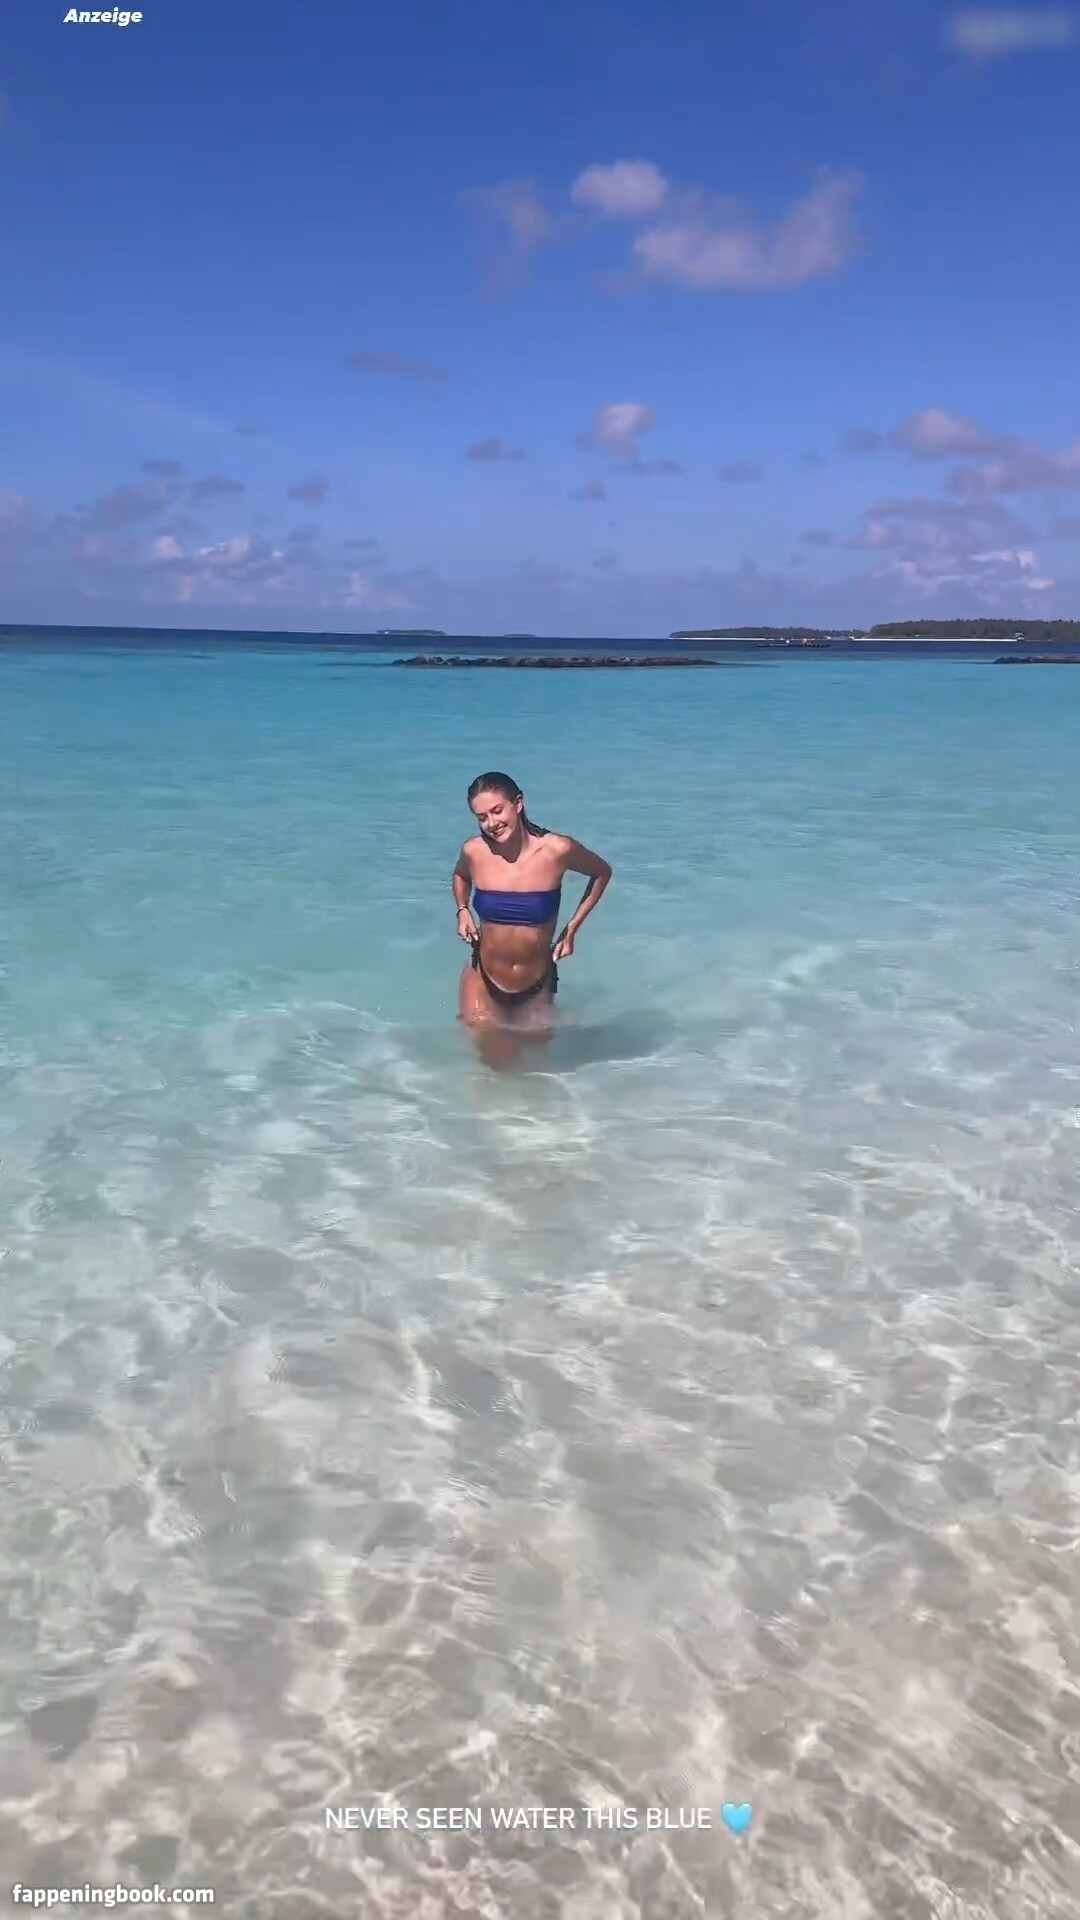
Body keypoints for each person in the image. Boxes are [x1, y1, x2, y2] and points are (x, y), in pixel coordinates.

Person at [452, 771, 612, 1049]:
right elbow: (461, 876)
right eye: (482, 817)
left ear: (518, 803)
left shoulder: (557, 850)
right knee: (495, 1059)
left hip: (536, 985)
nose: (491, 823)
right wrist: (462, 909)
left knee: (535, 1061)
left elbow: (601, 872)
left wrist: (572, 929)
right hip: (483, 978)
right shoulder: (475, 850)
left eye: (497, 811)